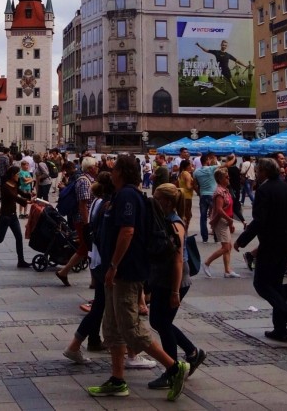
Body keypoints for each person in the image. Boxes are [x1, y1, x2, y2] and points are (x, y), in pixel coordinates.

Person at [87, 154, 189, 401]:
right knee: (112, 328)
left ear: (122, 172)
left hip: (126, 272)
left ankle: (175, 368)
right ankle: (117, 379)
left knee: (131, 328)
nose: (110, 173)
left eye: (114, 169)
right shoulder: (119, 196)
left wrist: (113, 265)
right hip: (115, 273)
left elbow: (128, 231)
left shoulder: (128, 196)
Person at [235, 157, 287, 342]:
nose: (256, 173)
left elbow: (260, 221)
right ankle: (280, 328)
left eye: (257, 171)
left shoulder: (264, 190)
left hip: (271, 245)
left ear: (264, 172)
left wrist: (242, 240)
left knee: (262, 284)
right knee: (276, 285)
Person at [145, 183, 206, 390]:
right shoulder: (162, 219)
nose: (154, 201)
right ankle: (192, 353)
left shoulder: (175, 224)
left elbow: (178, 260)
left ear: (168, 202)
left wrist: (174, 291)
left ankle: (172, 370)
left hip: (174, 279)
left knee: (161, 323)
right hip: (163, 278)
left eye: (157, 198)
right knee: (161, 322)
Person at [63, 171, 114, 361]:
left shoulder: (98, 202)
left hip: (96, 258)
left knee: (100, 304)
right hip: (103, 260)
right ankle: (76, 345)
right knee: (102, 306)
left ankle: (92, 340)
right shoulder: (106, 204)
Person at [0, 165, 33, 269]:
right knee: (0, 238)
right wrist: (27, 201)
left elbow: (21, 193)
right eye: (18, 174)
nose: (19, 176)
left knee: (19, 237)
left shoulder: (15, 185)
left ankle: (21, 261)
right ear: (12, 175)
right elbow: (15, 197)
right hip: (5, 216)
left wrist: (30, 195)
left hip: (13, 216)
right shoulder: (5, 186)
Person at [56, 156, 97, 286]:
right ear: (90, 168)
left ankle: (92, 280)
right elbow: (83, 204)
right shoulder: (84, 181)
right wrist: (87, 224)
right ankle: (64, 271)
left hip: (85, 219)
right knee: (86, 248)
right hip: (82, 219)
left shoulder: (88, 179)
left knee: (87, 248)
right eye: (96, 165)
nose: (97, 167)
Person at [203, 168, 239, 278]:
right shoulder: (219, 192)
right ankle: (206, 263)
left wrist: (230, 222)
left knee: (228, 246)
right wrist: (229, 220)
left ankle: (227, 270)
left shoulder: (225, 190)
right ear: (219, 179)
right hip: (221, 221)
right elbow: (219, 209)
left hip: (226, 220)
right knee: (226, 247)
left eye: (228, 176)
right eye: (226, 177)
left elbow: (228, 208)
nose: (229, 178)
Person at [192, 153, 218, 243]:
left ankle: (205, 238)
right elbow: (227, 165)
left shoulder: (196, 172)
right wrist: (233, 158)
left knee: (203, 217)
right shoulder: (212, 168)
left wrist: (199, 193)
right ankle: (216, 236)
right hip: (213, 195)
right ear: (207, 160)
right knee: (215, 215)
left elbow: (194, 185)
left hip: (203, 195)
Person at [176, 159, 194, 231]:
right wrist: (195, 184)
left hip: (181, 195)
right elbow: (188, 186)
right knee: (187, 216)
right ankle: (184, 231)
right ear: (187, 166)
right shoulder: (187, 174)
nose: (191, 166)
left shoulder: (181, 173)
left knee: (182, 215)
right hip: (187, 197)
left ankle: (182, 230)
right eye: (190, 165)